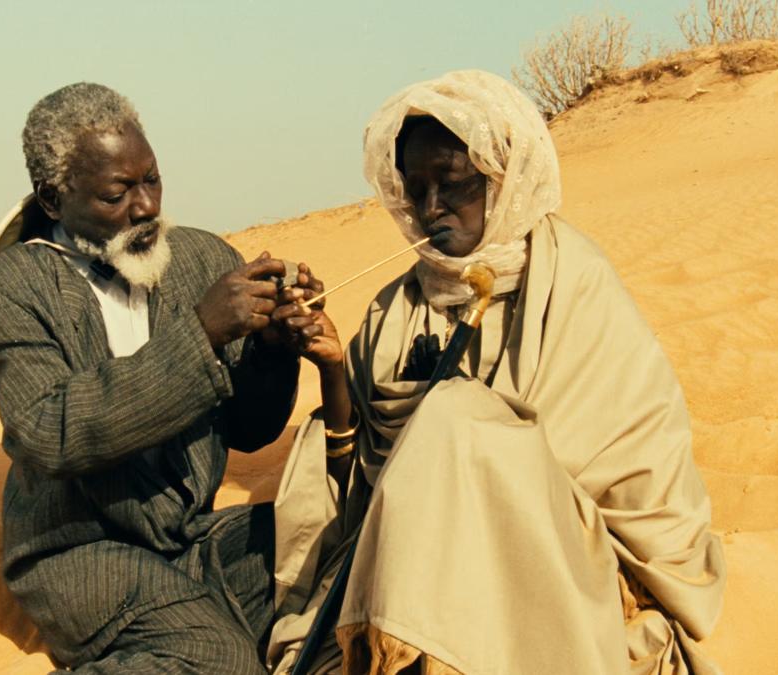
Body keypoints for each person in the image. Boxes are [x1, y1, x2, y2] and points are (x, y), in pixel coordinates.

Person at [267, 71, 726, 675]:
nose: (431, 208)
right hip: (410, 564)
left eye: (454, 185)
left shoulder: (573, 287)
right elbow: (357, 488)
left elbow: (624, 484)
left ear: (506, 180)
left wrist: (461, 440)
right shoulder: (394, 308)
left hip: (564, 565)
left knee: (456, 417)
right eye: (416, 187)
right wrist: (332, 367)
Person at [0, 82, 314, 673]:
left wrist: (273, 352)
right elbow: (52, 432)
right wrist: (200, 335)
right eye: (117, 193)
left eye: (151, 179)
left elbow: (251, 430)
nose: (147, 206)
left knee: (329, 540)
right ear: (54, 199)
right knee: (216, 659)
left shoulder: (202, 260)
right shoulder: (11, 292)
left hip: (190, 541)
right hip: (80, 555)